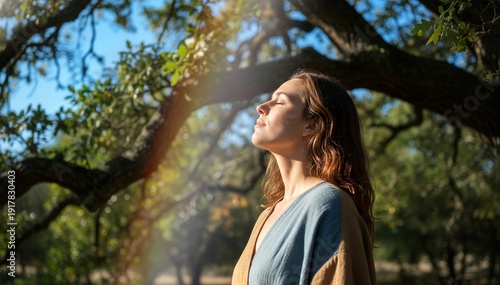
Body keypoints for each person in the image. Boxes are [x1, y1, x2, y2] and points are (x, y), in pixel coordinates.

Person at [231, 69, 377, 285]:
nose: (261, 108)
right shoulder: (268, 214)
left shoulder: (328, 206)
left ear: (312, 125)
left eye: (280, 102)